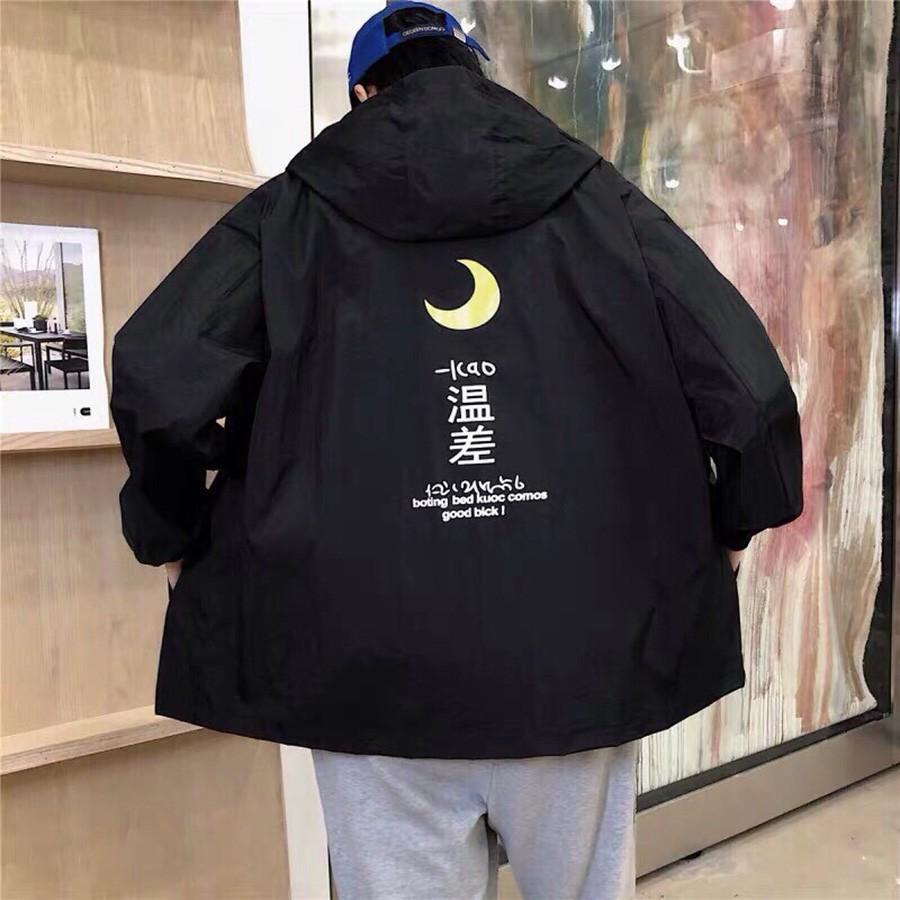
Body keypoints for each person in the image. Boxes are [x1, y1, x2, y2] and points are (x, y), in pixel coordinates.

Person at [109, 2, 804, 897]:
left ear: (363, 95)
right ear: (479, 75)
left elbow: (157, 371)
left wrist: (170, 534)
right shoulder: (598, 199)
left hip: (365, 669)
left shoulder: (291, 211)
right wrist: (732, 526)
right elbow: (751, 390)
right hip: (575, 659)